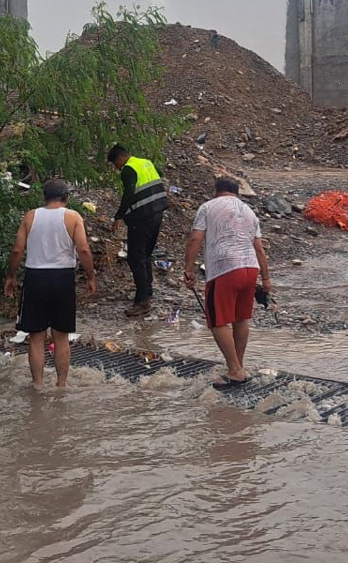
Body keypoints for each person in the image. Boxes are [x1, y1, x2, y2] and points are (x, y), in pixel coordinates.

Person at [4, 178, 96, 388]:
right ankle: (61, 385)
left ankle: (38, 384)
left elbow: (17, 250)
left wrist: (10, 276)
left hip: (35, 277)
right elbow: (83, 250)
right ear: (67, 197)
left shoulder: (31, 216)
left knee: (36, 336)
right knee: (61, 336)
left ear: (44, 197)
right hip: (62, 278)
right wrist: (90, 276)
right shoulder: (73, 217)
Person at [184, 176, 271, 390]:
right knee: (241, 318)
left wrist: (188, 269)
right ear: (236, 193)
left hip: (224, 268)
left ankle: (235, 371)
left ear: (217, 191)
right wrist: (266, 278)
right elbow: (259, 247)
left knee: (217, 321)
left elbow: (196, 239)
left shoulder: (208, 207)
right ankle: (238, 366)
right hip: (250, 268)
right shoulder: (249, 212)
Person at [106, 143, 169, 317]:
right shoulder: (146, 163)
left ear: (120, 158)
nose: (116, 169)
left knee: (135, 257)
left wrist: (119, 216)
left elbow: (129, 194)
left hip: (142, 217)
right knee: (145, 254)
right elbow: (159, 175)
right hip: (157, 213)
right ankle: (147, 289)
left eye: (115, 164)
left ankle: (142, 301)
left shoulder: (128, 169)